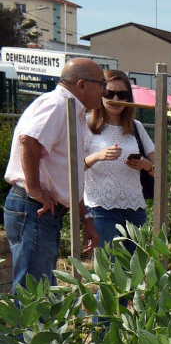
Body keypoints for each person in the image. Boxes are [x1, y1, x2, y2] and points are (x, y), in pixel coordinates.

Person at [4, 57, 105, 292]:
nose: (105, 90)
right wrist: (34, 189)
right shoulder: (57, 105)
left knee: (41, 294)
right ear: (82, 85)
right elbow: (29, 140)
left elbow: (66, 172)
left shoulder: (71, 111)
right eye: (102, 84)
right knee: (34, 296)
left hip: (41, 211)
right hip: (34, 209)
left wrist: (85, 217)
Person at [83, 70, 155, 254]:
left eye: (122, 94)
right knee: (110, 271)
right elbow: (72, 168)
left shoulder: (136, 127)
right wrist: (98, 156)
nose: (116, 98)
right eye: (110, 93)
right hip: (102, 209)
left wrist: (146, 165)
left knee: (138, 270)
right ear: (101, 94)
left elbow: (159, 170)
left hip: (135, 208)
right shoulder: (86, 125)